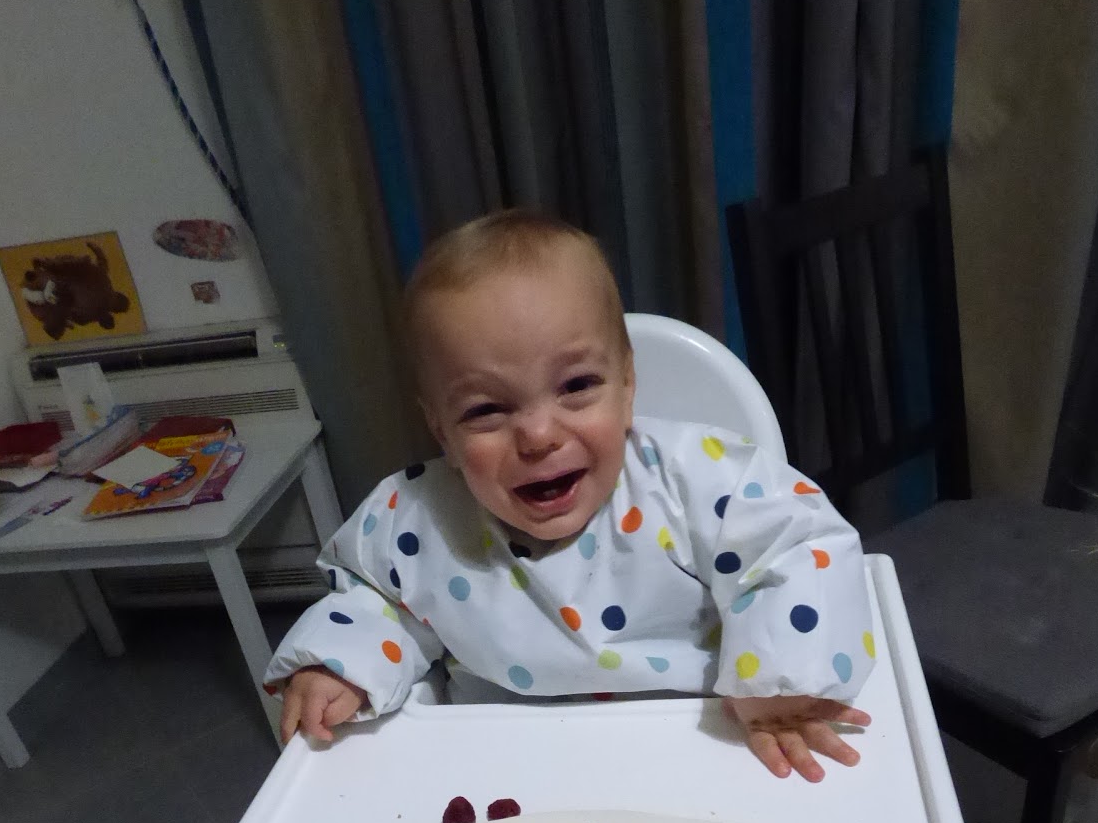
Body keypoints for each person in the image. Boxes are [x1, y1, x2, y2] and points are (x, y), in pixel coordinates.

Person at [267, 210, 874, 781]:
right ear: (441, 430)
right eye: (485, 410)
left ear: (628, 385)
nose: (538, 435)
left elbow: (801, 548)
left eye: (577, 386)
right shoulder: (419, 521)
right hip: (501, 771)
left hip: (696, 748)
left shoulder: (699, 481)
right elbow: (375, 602)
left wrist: (778, 686)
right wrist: (339, 665)